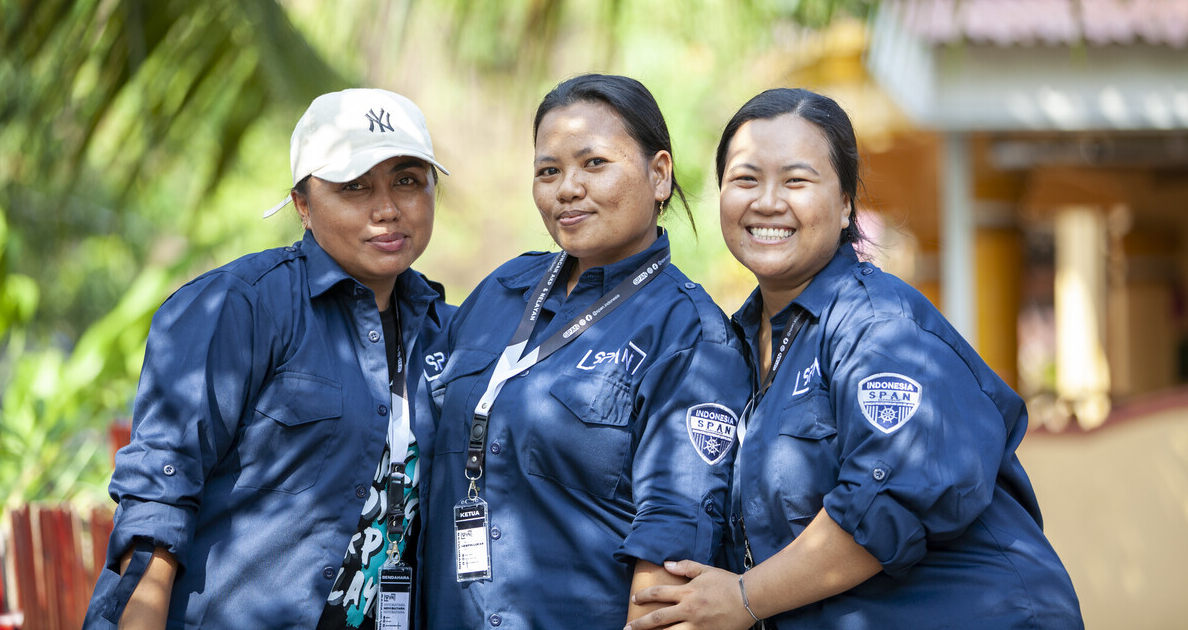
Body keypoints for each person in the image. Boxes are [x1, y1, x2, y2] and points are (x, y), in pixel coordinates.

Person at [626, 88, 1083, 630]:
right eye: (746, 179)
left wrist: (745, 598)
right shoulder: (737, 345)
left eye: (796, 181)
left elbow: (885, 500)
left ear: (846, 205)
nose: (767, 201)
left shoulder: (877, 326)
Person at [83, 88, 454, 629]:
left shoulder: (448, 331)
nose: (387, 209)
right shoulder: (238, 305)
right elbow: (162, 479)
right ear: (303, 205)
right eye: (354, 186)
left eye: (407, 180)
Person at [417, 74, 749, 629]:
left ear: (659, 174)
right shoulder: (502, 290)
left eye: (594, 163)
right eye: (548, 170)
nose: (566, 188)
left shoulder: (689, 334)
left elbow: (673, 538)